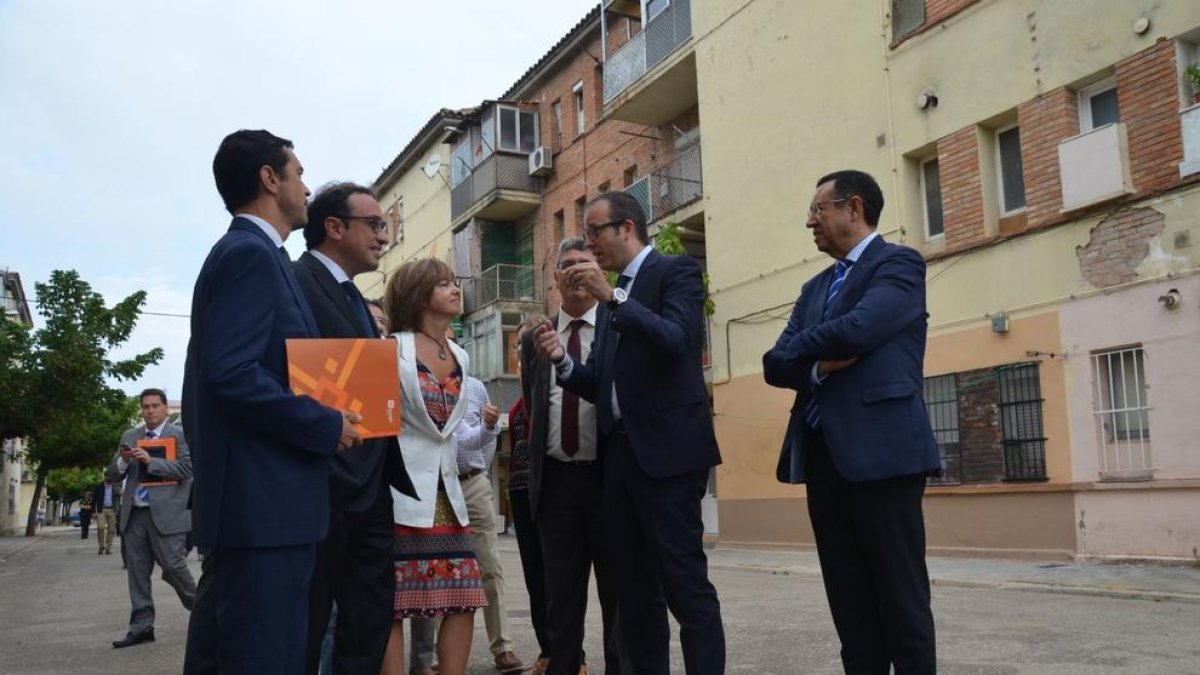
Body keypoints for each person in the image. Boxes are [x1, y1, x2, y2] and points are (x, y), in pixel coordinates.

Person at [182, 129, 363, 675]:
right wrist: (325, 424)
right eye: (299, 174)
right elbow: (231, 374)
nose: (306, 189)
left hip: (261, 508)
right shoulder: (250, 255)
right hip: (263, 510)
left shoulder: (258, 255)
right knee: (262, 657)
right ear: (269, 178)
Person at [534, 192, 724, 675]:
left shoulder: (672, 273)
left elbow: (678, 340)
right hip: (618, 462)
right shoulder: (621, 293)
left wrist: (611, 296)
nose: (590, 241)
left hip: (668, 457)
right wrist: (562, 360)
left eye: (596, 230)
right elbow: (599, 381)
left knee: (684, 585)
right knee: (633, 593)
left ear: (627, 228)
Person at [762, 170, 940, 674]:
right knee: (850, 604)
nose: (809, 222)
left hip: (885, 455)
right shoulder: (814, 286)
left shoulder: (899, 264)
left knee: (901, 601)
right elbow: (774, 364)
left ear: (853, 208)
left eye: (818, 210)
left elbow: (862, 328)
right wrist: (814, 364)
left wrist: (799, 347)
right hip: (824, 458)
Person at [293, 181, 416, 675]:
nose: (384, 236)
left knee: (368, 617)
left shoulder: (355, 298)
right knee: (311, 620)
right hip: (323, 484)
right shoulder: (296, 282)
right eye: (375, 224)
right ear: (335, 227)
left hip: (369, 485)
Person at [379, 258, 486, 675]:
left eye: (454, 282)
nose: (455, 289)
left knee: (465, 594)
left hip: (447, 493)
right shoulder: (392, 348)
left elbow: (450, 432)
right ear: (419, 295)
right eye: (444, 284)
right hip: (399, 492)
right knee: (394, 601)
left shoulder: (459, 352)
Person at [523, 239, 621, 675]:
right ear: (555, 277)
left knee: (620, 594)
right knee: (560, 597)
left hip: (610, 479)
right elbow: (533, 404)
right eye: (568, 265)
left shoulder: (620, 329)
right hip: (557, 483)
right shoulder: (535, 339)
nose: (577, 271)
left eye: (586, 263)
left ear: (601, 273)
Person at [106, 388, 197, 649]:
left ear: (166, 408)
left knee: (173, 566)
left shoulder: (179, 435)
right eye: (145, 406)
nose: (150, 411)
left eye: (155, 406)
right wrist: (123, 462)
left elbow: (187, 469)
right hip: (135, 514)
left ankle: (203, 611)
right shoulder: (130, 436)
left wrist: (150, 461)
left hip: (169, 515)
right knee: (137, 573)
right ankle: (141, 626)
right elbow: (113, 475)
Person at [507, 320, 550, 674]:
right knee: (535, 576)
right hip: (520, 492)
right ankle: (547, 648)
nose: (521, 357)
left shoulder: (551, 398)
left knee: (558, 576)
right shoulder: (516, 408)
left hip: (551, 493)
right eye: (519, 350)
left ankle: (571, 653)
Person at [92, 477, 119, 555]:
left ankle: (108, 547)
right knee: (100, 527)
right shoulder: (99, 486)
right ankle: (101, 545)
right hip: (102, 510)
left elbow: (119, 496)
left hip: (112, 510)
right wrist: (93, 512)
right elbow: (94, 499)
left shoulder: (115, 486)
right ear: (105, 477)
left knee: (112, 529)